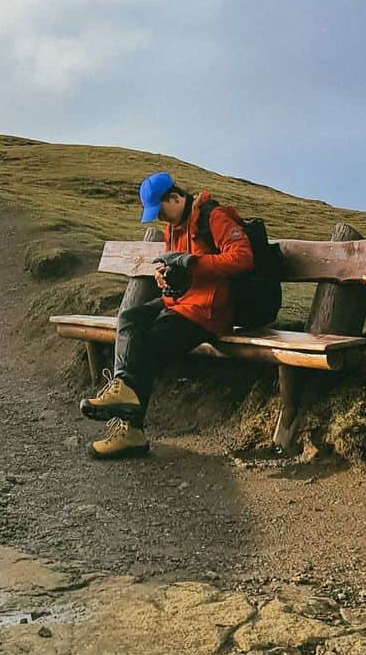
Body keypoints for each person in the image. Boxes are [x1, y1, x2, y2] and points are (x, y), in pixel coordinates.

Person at [80, 171, 253, 460]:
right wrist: (164, 275)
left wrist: (192, 264)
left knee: (147, 344)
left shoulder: (215, 217)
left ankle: (131, 431)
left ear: (175, 197)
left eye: (161, 211)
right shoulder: (175, 226)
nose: (161, 219)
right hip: (179, 303)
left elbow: (243, 258)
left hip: (209, 312)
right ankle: (123, 390)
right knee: (130, 318)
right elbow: (176, 264)